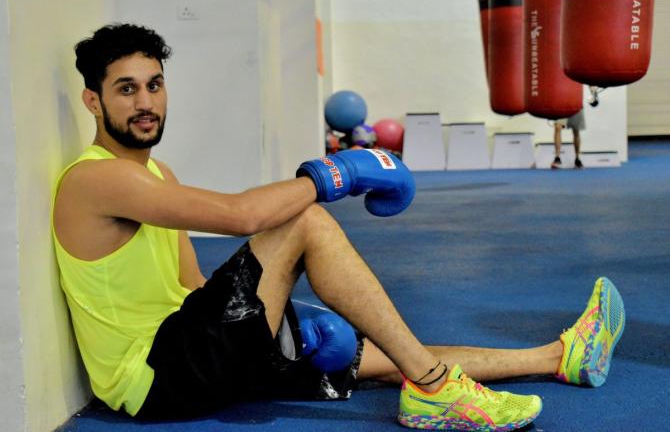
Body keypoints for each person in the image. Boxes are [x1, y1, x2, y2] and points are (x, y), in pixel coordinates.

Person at [52, 24, 626, 431]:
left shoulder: (156, 174)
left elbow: (194, 288)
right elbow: (241, 218)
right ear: (93, 102)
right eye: (126, 89)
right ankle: (433, 390)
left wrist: (280, 319)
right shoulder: (94, 181)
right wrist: (337, 172)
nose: (145, 101)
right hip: (156, 377)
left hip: (188, 345)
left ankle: (556, 357)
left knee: (376, 352)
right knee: (305, 220)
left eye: (154, 84)